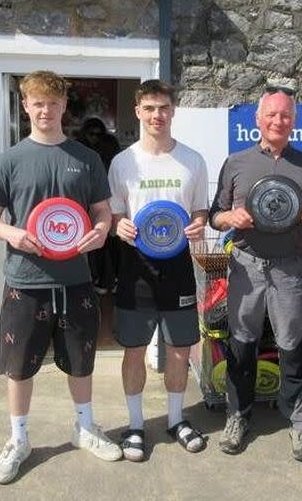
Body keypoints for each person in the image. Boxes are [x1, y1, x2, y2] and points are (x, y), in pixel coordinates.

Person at [0, 70, 122, 485]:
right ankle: (19, 439)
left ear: (64, 108)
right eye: (38, 103)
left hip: (75, 278)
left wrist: (100, 232)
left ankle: (84, 428)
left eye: (54, 103)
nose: (46, 110)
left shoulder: (86, 158)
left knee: (81, 360)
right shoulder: (9, 161)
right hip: (25, 280)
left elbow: (101, 211)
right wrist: (13, 233)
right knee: (19, 367)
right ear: (25, 106)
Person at [209, 85, 302, 462]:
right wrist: (230, 217)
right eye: (272, 114)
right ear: (258, 120)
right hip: (246, 266)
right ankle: (237, 416)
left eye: (286, 115)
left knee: (293, 346)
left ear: (294, 122)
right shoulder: (236, 162)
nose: (278, 121)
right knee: (241, 344)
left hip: (290, 269)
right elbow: (215, 215)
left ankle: (299, 422)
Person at [108, 79, 209, 461]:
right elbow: (114, 213)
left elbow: (199, 210)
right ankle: (135, 425)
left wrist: (199, 224)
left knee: (181, 350)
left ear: (172, 112)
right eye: (149, 108)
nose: (157, 115)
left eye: (163, 108)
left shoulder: (193, 160)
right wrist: (118, 224)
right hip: (135, 269)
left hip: (179, 268)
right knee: (134, 351)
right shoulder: (123, 162)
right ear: (138, 112)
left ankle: (176, 419)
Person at [77, 117, 122, 295]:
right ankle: (99, 279)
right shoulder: (81, 150)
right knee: (97, 245)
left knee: (112, 244)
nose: (95, 137)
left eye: (97, 133)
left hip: (108, 199)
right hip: (92, 202)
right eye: (91, 133)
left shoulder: (108, 146)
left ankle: (108, 279)